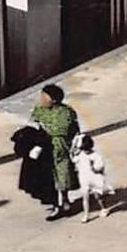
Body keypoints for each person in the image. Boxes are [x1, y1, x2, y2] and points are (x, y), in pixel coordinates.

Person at [31, 84, 80, 219]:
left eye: (44, 96)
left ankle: (64, 201)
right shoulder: (40, 109)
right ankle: (55, 202)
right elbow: (35, 123)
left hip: (60, 148)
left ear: (54, 99)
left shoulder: (65, 112)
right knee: (47, 177)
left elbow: (61, 131)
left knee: (62, 174)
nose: (41, 98)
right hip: (43, 148)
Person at [12, 118, 57, 207]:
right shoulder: (31, 132)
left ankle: (53, 202)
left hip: (41, 160)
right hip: (38, 160)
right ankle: (50, 200)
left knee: (43, 182)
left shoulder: (30, 132)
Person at [71, 133, 115, 222]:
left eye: (86, 149)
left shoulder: (96, 156)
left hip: (95, 178)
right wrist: (73, 144)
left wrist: (92, 166)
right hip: (84, 178)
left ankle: (104, 208)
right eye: (83, 149)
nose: (85, 151)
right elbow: (73, 157)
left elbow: (98, 169)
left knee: (98, 196)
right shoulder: (80, 154)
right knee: (85, 197)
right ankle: (86, 215)